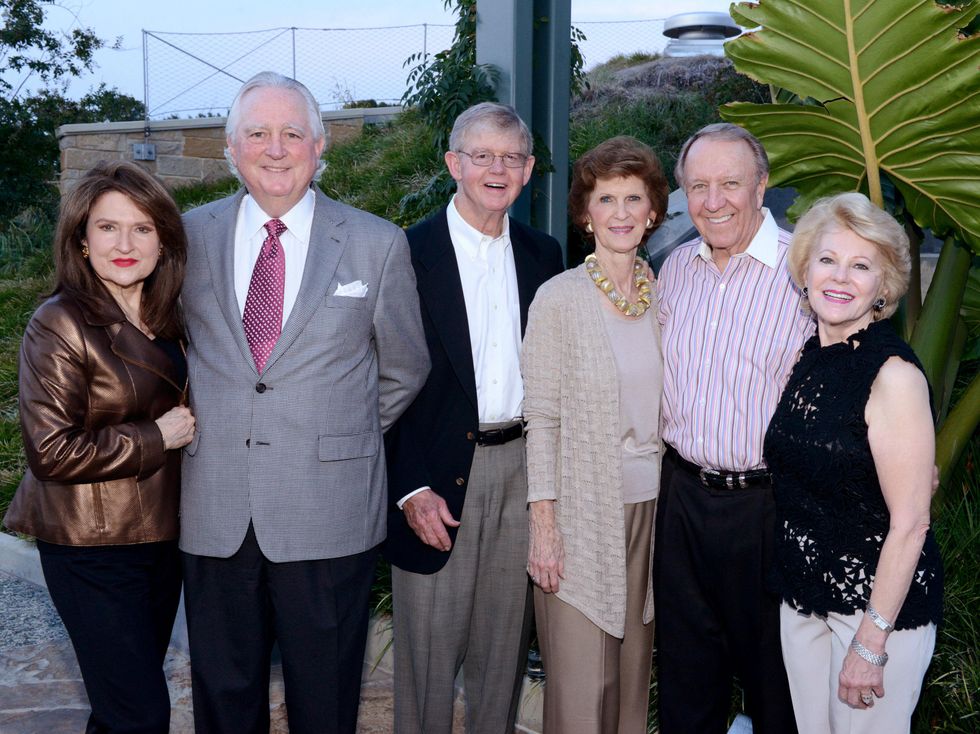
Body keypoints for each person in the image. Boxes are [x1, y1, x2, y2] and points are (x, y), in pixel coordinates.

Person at [178, 71, 428, 734]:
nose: (276, 147)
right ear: (231, 149)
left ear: (321, 148)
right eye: (257, 133)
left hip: (329, 511)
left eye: (293, 133)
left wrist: (336, 433)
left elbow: (404, 368)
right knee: (224, 700)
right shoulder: (185, 238)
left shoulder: (378, 244)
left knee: (325, 701)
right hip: (216, 505)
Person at [383, 101, 563, 734]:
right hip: (433, 478)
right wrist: (407, 487)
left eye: (511, 157)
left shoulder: (547, 257)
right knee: (428, 665)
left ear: (529, 169)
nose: (497, 168)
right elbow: (380, 385)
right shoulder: (402, 254)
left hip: (521, 471)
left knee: (504, 655)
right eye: (481, 155)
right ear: (453, 163)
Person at [4, 160, 194, 733]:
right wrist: (155, 436)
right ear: (81, 241)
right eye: (108, 227)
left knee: (121, 706)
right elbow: (52, 451)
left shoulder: (171, 315)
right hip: (91, 543)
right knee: (139, 712)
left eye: (142, 227)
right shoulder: (59, 321)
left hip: (161, 537)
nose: (125, 243)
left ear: (163, 239)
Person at [652, 122, 812, 733]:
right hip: (683, 502)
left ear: (762, 186)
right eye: (697, 186)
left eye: (729, 184)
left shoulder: (807, 271)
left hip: (772, 510)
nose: (712, 201)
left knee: (778, 689)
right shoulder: (675, 272)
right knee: (688, 687)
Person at [764, 192, 943, 733]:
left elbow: (911, 523)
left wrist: (871, 640)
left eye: (860, 265)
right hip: (803, 602)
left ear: (883, 286)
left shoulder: (892, 375)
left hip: (874, 616)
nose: (840, 277)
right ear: (804, 270)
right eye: (827, 260)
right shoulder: (811, 356)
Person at [522, 136, 668, 733]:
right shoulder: (558, 299)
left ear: (654, 211)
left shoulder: (665, 293)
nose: (622, 212)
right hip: (581, 517)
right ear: (586, 214)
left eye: (634, 197)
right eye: (607, 198)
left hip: (656, 514)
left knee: (633, 683)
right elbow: (542, 419)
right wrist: (544, 527)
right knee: (584, 693)